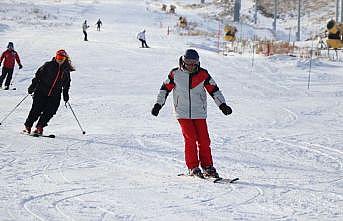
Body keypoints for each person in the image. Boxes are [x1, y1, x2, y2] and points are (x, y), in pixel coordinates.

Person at [151, 49, 232, 178]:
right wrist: (158, 104)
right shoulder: (175, 74)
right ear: (183, 61)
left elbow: (214, 90)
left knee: (204, 140)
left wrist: (222, 105)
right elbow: (164, 89)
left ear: (198, 62)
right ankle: (193, 167)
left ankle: (207, 166)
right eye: (188, 62)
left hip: (199, 112)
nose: (191, 65)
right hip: (182, 112)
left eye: (194, 63)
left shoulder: (203, 74)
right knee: (190, 139)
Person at [23, 49, 73, 135]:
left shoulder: (65, 70)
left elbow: (67, 84)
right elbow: (38, 76)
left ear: (65, 59)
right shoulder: (48, 65)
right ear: (55, 57)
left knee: (51, 111)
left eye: (62, 58)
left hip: (55, 94)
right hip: (41, 91)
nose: (59, 59)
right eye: (58, 57)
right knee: (36, 109)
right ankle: (28, 126)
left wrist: (65, 95)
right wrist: (32, 86)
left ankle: (40, 126)